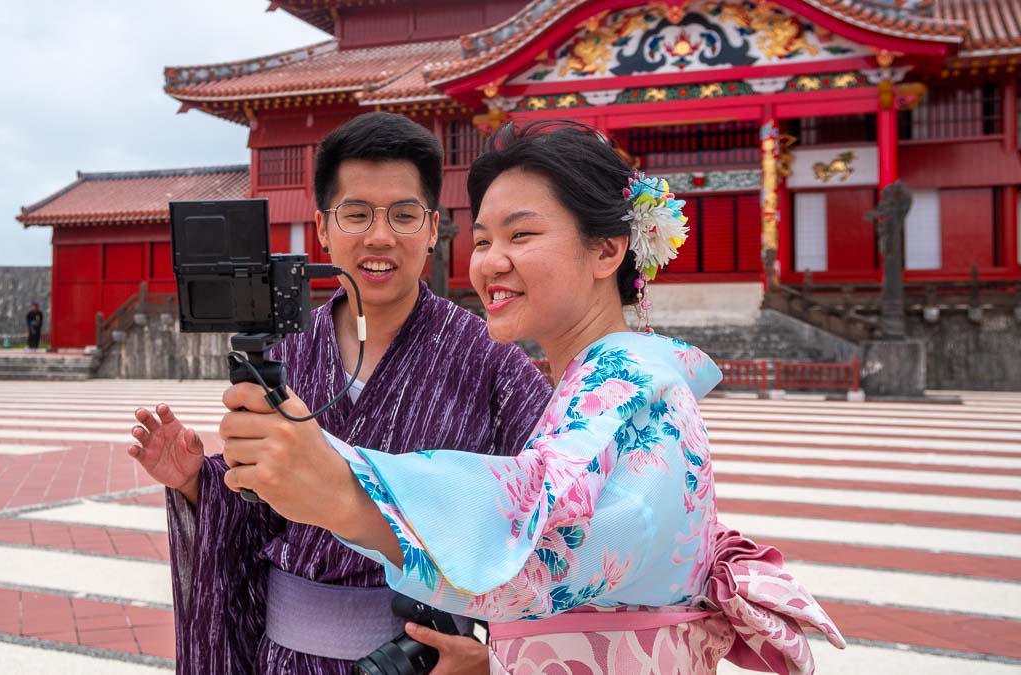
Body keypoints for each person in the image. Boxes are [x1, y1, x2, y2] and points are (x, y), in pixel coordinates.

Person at [215, 121, 845, 673]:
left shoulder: (627, 386)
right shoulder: (598, 382)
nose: (491, 262)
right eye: (484, 240)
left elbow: (546, 540)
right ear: (323, 226)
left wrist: (341, 485)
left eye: (521, 235)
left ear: (607, 249)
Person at [128, 112, 551, 674]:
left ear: (432, 229)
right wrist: (197, 482)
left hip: (421, 660)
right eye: (356, 214)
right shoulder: (284, 354)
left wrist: (491, 655)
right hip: (286, 657)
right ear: (324, 229)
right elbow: (258, 513)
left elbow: (550, 516)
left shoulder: (490, 357)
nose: (380, 236)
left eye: (404, 215)